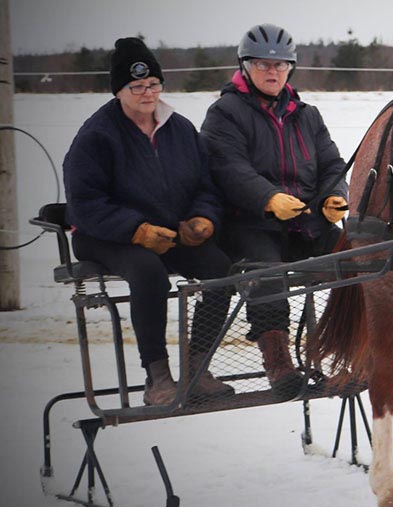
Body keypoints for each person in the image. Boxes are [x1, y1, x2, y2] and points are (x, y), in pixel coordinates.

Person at [63, 37, 235, 406]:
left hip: (169, 231)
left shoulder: (180, 129)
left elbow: (206, 185)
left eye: (153, 84)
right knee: (148, 273)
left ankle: (197, 366)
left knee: (221, 269)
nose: (147, 93)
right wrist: (135, 230)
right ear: (119, 90)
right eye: (137, 86)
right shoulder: (97, 135)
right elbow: (84, 203)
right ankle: (157, 377)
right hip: (104, 235)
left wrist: (203, 218)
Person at [200, 23, 348, 397]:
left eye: (281, 65)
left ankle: (353, 351)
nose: (272, 72)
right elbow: (228, 168)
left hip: (307, 224)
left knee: (360, 260)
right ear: (245, 66)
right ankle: (280, 365)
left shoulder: (307, 114)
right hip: (249, 224)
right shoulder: (225, 113)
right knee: (266, 274)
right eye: (263, 64)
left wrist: (334, 196)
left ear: (290, 69)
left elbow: (332, 164)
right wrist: (267, 198)